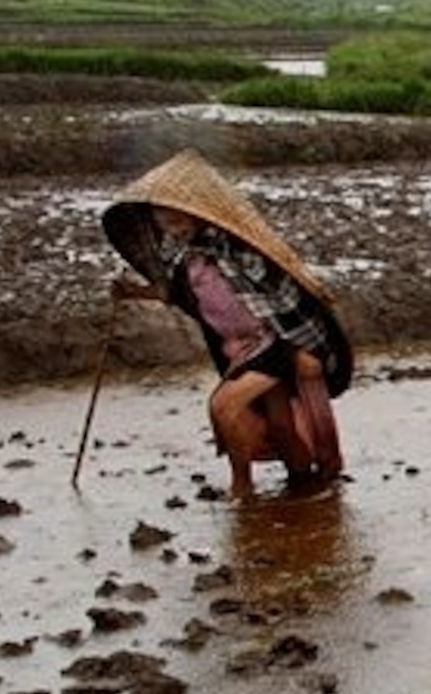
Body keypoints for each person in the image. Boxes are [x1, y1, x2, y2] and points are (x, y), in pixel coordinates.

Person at [111, 203, 345, 496]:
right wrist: (134, 292)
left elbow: (285, 291)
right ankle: (303, 482)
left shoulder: (234, 247)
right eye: (161, 216)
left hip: (273, 342)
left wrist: (305, 347)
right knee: (281, 426)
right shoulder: (180, 256)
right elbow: (177, 295)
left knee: (224, 407)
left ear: (195, 212)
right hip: (238, 349)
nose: (170, 221)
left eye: (176, 214)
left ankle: (242, 487)